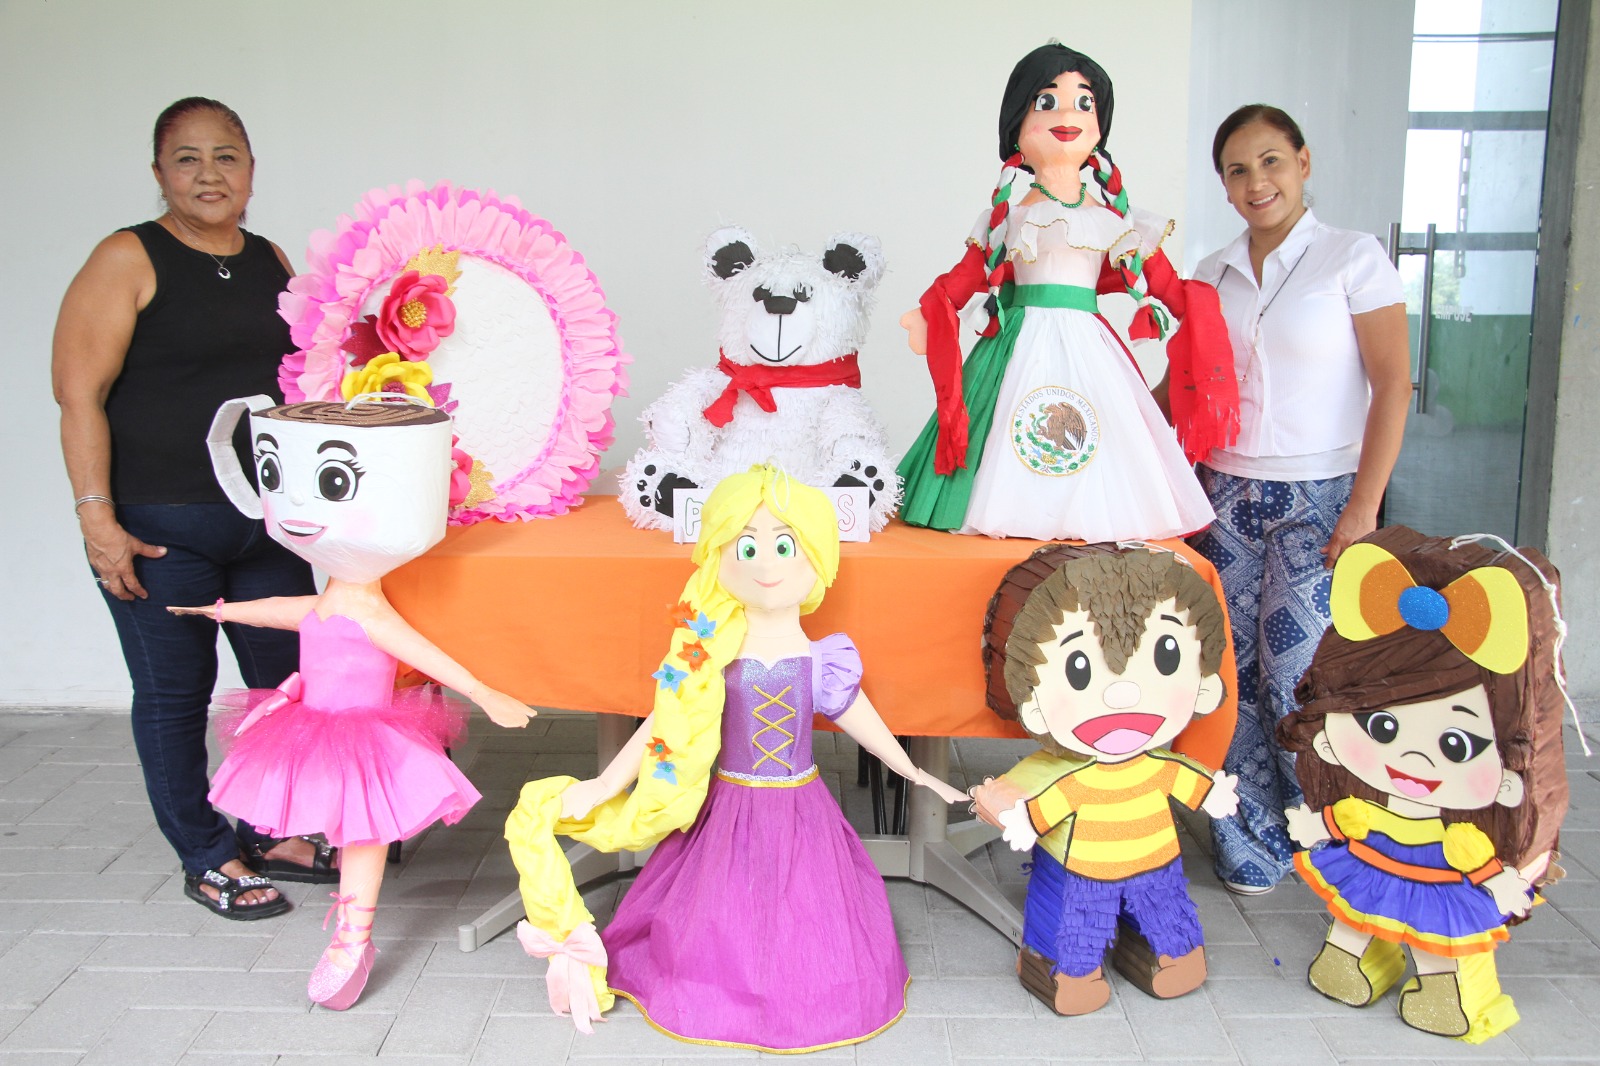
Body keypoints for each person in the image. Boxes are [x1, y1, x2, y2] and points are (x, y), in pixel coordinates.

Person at [505, 466, 966, 1051]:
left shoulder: (823, 660)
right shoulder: (709, 655)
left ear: (818, 558)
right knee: (717, 908)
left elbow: (861, 719)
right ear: (717, 559)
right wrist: (608, 782)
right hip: (726, 805)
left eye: (785, 546)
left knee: (806, 911)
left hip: (801, 806)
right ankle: (717, 987)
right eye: (746, 547)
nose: (766, 564)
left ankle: (801, 993)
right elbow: (665, 724)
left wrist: (915, 771)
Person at [51, 97, 332, 920]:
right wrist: (97, 521)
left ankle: (273, 829)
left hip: (264, 522)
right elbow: (77, 394)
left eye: (226, 156)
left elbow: (295, 384)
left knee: (285, 688)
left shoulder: (268, 258)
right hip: (159, 526)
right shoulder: (128, 257)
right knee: (177, 695)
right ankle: (206, 853)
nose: (209, 174)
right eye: (187, 158)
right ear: (159, 172)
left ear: (250, 170)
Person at [173, 397, 534, 1010]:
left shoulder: (371, 610)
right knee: (344, 825)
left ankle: (352, 934)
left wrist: (482, 691)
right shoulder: (333, 598)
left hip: (365, 735)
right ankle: (349, 929)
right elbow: (290, 612)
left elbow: (420, 649)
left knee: (363, 830)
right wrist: (221, 610)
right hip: (313, 723)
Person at [1187, 104, 1412, 894]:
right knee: (1229, 674)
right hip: (1224, 491)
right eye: (1238, 170)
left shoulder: (1352, 258)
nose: (1258, 182)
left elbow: (1394, 386)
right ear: (1224, 185)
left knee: (1297, 676)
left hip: (1320, 497)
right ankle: (1252, 836)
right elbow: (1184, 385)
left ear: (1303, 162)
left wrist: (1364, 508)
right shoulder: (1210, 273)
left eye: (1272, 161)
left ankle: (1331, 833)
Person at [896, 41, 1237, 541]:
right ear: (1017, 123)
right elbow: (966, 278)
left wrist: (1201, 311)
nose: (1067, 115)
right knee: (1006, 435)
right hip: (1016, 346)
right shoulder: (1009, 218)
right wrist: (930, 311)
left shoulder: (1118, 221)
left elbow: (1164, 284)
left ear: (1099, 126)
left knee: (1104, 439)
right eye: (1047, 101)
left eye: (1084, 102)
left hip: (1090, 347)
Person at [1278, 526, 1567, 1042]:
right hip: (1372, 862)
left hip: (1437, 875)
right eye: (1381, 726)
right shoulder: (1360, 805)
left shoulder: (1464, 838)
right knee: (1356, 916)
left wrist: (1505, 878)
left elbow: (1480, 861)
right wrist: (1315, 822)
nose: (1413, 758)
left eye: (1456, 744)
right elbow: (1345, 818)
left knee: (1440, 937)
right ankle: (1354, 962)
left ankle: (1444, 993)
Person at [972, 544, 1238, 1016]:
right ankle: (1064, 971)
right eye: (1078, 668)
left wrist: (1212, 793)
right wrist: (1019, 816)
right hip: (1082, 869)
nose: (1123, 694)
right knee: (1074, 921)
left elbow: (1185, 779)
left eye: (1166, 655)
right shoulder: (1070, 778)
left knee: (1165, 911)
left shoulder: (1157, 765)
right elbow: (1033, 801)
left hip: (1156, 862)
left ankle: (1169, 954)